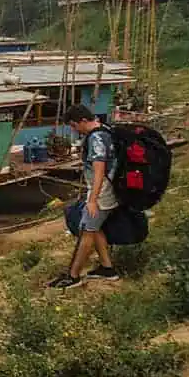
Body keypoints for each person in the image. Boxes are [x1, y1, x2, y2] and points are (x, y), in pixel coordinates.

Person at [48, 104, 121, 289]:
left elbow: (99, 170)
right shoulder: (104, 129)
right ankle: (107, 268)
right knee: (95, 229)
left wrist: (93, 200)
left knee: (86, 231)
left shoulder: (96, 138)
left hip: (103, 191)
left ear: (82, 121)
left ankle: (73, 276)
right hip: (106, 188)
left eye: (74, 125)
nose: (74, 129)